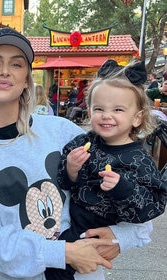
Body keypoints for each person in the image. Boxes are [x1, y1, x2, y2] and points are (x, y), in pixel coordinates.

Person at [0, 27, 152, 280]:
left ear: (26, 80)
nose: (4, 71)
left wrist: (122, 236)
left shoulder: (64, 133)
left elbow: (134, 188)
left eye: (16, 64)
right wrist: (63, 253)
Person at [45, 60, 167, 280]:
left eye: (118, 109)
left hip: (98, 229)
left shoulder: (139, 159)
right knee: (54, 265)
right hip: (71, 222)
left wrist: (122, 187)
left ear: (137, 117)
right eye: (99, 108)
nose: (106, 115)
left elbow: (153, 205)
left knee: (57, 269)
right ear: (89, 109)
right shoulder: (83, 143)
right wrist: (71, 169)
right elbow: (65, 183)